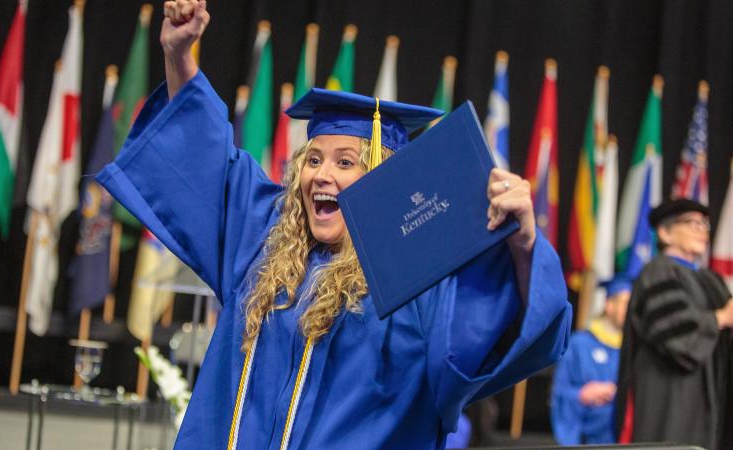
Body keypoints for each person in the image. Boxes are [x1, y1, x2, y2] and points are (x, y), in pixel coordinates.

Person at [97, 1, 572, 448]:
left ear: (384, 183)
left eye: (347, 162)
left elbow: (490, 329)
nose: (323, 175)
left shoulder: (416, 283)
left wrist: (523, 243)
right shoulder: (263, 242)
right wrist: (178, 54)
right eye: (314, 159)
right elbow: (205, 159)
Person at [615, 199, 733, 450]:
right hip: (670, 393)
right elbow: (674, 335)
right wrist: (720, 318)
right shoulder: (658, 272)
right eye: (692, 223)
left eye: (704, 224)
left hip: (708, 395)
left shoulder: (711, 280)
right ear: (665, 232)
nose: (701, 230)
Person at [550, 277, 631, 445]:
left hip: (624, 442)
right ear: (609, 305)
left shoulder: (635, 350)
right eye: (625, 303)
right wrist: (582, 395)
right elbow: (560, 393)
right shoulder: (580, 344)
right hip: (587, 441)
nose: (630, 310)